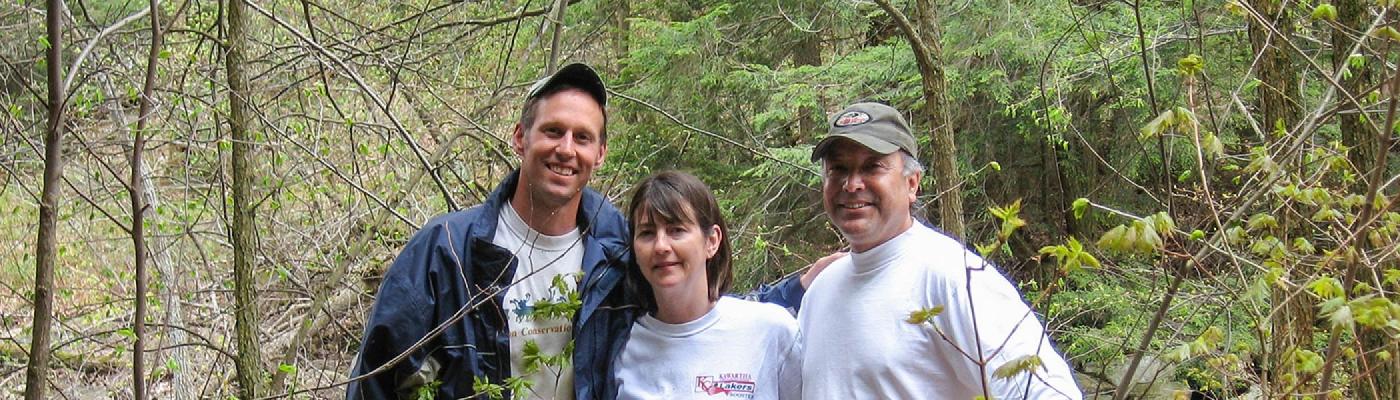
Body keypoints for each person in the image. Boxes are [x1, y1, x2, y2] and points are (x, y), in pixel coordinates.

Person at [348, 63, 808, 400]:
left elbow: (695, 320)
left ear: (601, 152)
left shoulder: (617, 249)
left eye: (583, 137)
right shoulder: (449, 248)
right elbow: (377, 375)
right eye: (553, 131)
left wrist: (795, 289)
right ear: (520, 137)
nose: (566, 150)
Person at [798, 102, 1082, 399]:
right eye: (838, 169)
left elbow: (1048, 392)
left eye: (873, 167)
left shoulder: (952, 276)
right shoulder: (821, 291)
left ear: (912, 183)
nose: (852, 184)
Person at [613, 171, 800, 400]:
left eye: (676, 230)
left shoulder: (770, 330)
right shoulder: (621, 346)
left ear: (712, 241)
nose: (661, 246)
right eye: (647, 233)